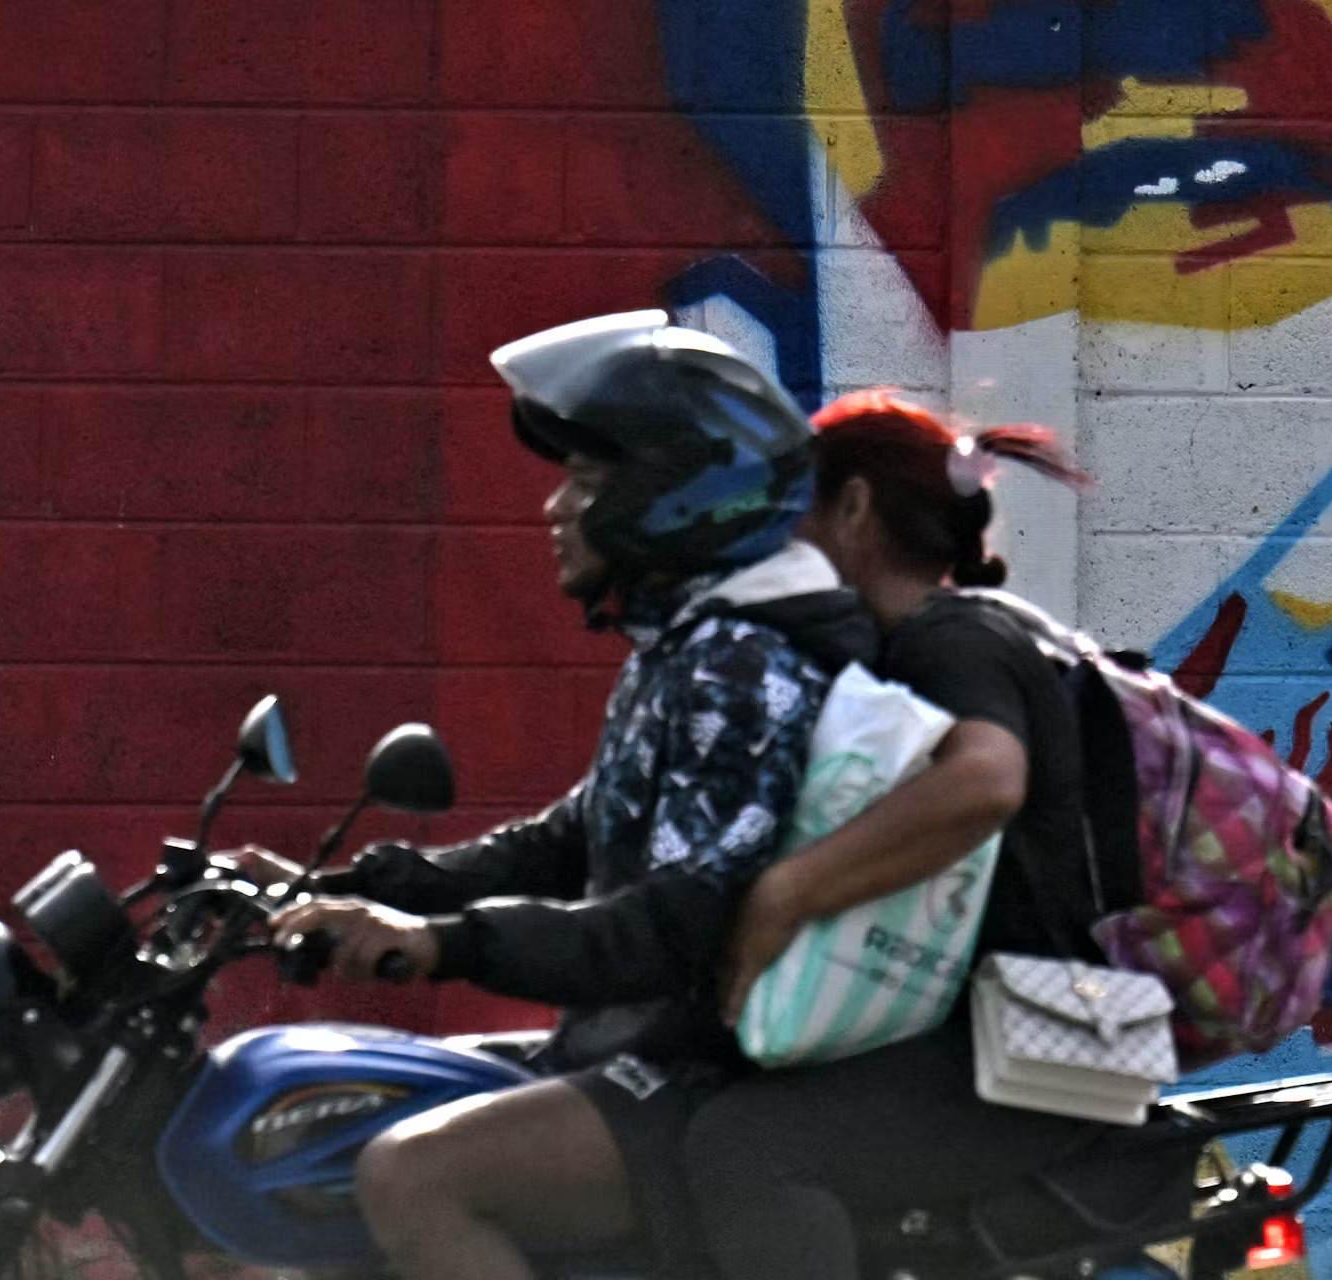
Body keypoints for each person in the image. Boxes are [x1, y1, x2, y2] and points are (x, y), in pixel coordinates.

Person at [251, 310, 875, 1279]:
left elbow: (673, 926)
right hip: (639, 1047)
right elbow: (571, 836)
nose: (553, 508)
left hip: (706, 1073)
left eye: (586, 482)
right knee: (339, 1103)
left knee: (411, 1173)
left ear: (674, 496)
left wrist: (448, 943)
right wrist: (358, 887)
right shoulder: (688, 643)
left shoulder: (744, 662)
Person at [667, 389, 1158, 1278]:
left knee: (745, 1150)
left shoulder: (949, 635)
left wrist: (788, 893)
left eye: (793, 517)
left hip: (1038, 1047)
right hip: (1042, 1031)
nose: (779, 546)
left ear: (852, 508)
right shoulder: (987, 632)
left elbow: (986, 779)